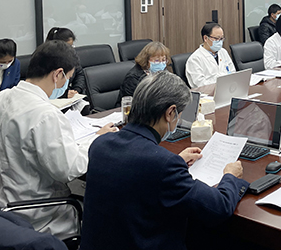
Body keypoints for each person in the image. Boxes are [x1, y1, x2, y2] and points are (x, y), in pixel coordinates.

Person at [80, 71, 248, 250]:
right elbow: (219, 207)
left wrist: (176, 161)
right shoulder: (163, 164)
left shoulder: (100, 144)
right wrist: (231, 176)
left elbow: (134, 174)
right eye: (179, 114)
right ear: (170, 113)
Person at [0, 40, 117, 236]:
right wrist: (96, 140)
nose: (66, 84)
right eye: (68, 77)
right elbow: (68, 169)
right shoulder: (45, 115)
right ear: (58, 74)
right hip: (40, 215)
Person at [117, 41, 171, 106]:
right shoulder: (133, 78)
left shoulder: (163, 72)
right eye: (156, 60)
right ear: (146, 60)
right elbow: (135, 103)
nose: (161, 63)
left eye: (163, 60)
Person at [186, 23, 236, 88]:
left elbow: (233, 72)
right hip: (207, 92)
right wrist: (221, 80)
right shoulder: (194, 59)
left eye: (221, 39)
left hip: (227, 88)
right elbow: (201, 84)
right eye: (217, 38)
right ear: (206, 38)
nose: (220, 41)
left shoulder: (223, 52)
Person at [46, 27, 85, 98]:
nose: (70, 49)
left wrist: (76, 89)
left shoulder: (72, 56)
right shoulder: (44, 59)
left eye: (71, 46)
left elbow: (79, 73)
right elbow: (43, 86)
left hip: (70, 96)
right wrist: (64, 95)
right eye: (67, 46)